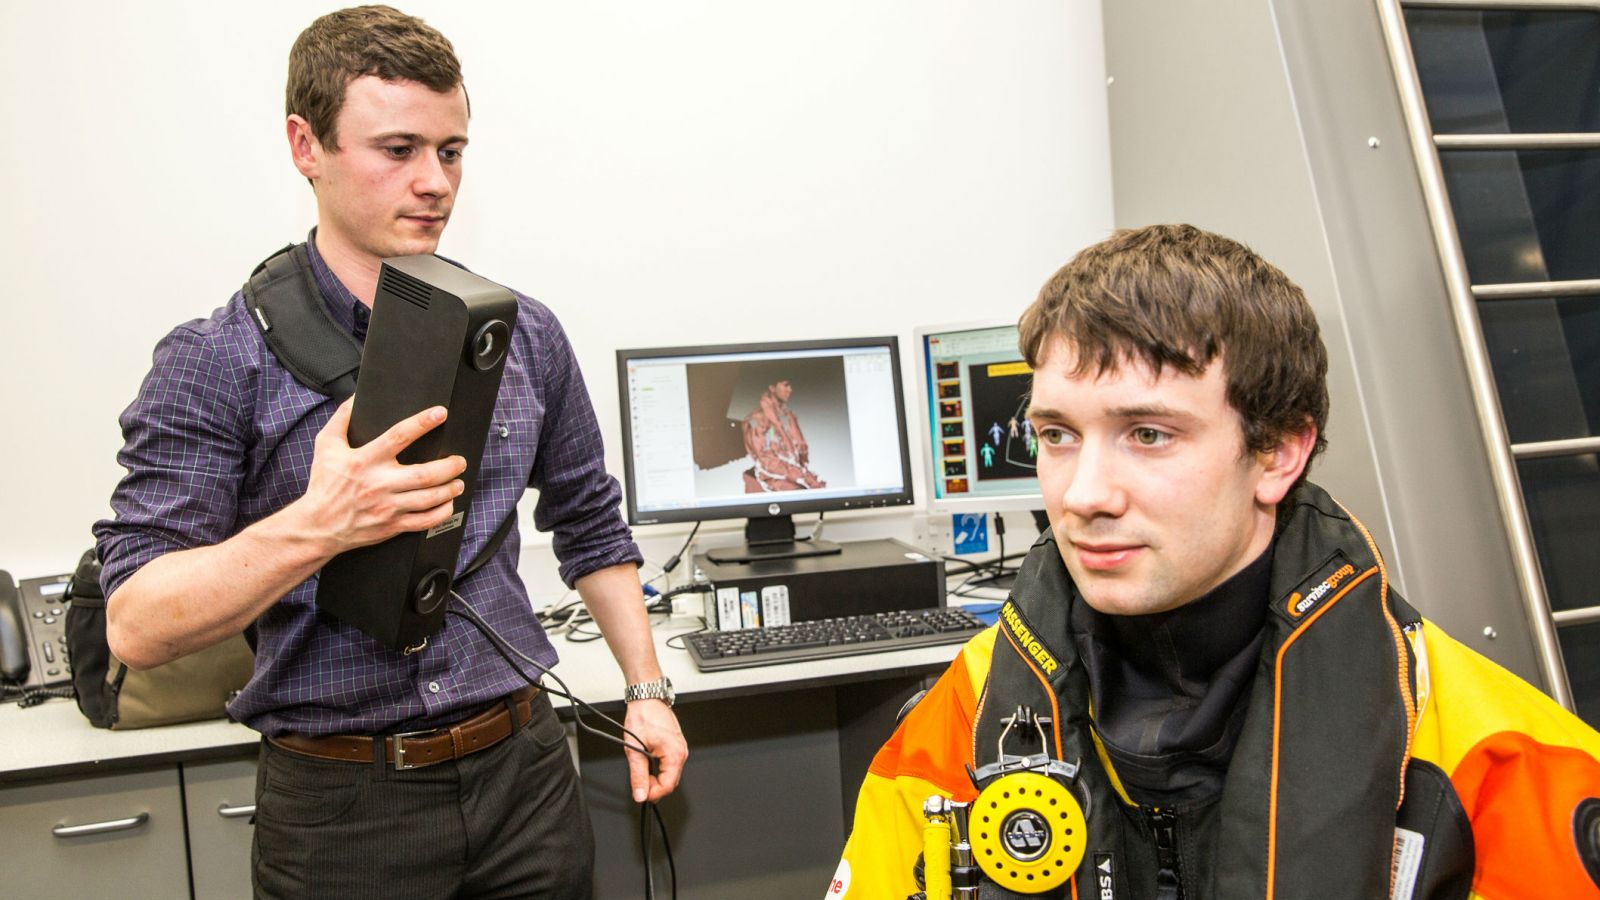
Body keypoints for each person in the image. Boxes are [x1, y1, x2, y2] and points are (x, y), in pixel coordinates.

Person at [93, 7, 686, 897]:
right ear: (307, 145)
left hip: (525, 774)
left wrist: (648, 689)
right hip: (341, 804)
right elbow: (136, 623)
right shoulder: (217, 360)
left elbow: (592, 527)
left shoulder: (523, 334)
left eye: (451, 152)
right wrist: (321, 524)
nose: (434, 182)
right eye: (398, 150)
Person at [829, 224, 1600, 899]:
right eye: (1057, 435)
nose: (1083, 494)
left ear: (1277, 453)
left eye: (1149, 434)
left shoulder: (1500, 763)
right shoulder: (964, 714)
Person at [742, 378, 826, 491]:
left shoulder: (788, 416)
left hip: (792, 475)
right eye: (786, 385)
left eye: (791, 385)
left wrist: (806, 474)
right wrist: (803, 476)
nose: (790, 390)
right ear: (772, 388)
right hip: (769, 478)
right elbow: (767, 460)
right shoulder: (758, 419)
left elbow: (801, 449)